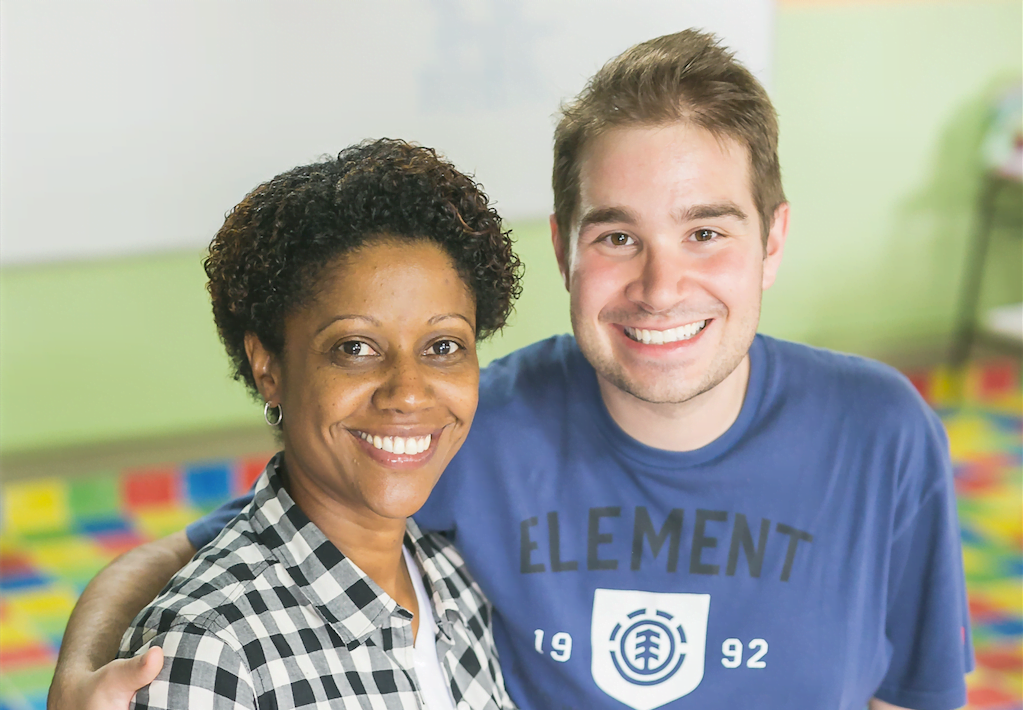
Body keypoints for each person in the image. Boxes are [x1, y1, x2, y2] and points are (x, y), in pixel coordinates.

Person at [49, 30, 972, 710]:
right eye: (618, 236)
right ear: (566, 249)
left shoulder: (881, 431)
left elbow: (910, 697)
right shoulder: (458, 424)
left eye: (704, 232)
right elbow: (194, 559)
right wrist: (77, 680)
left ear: (770, 241)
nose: (660, 286)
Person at [109, 139, 522, 709]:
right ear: (269, 368)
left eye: (443, 345)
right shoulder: (209, 650)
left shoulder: (456, 582)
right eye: (355, 347)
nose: (407, 392)